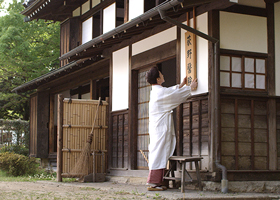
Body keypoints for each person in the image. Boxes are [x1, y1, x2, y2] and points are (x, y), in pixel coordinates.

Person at [145, 66, 198, 191]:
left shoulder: (157, 91)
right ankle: (153, 182)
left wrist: (181, 85)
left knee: (160, 152)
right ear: (158, 79)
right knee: (159, 153)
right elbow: (173, 95)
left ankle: (158, 182)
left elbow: (170, 92)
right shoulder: (160, 92)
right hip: (160, 128)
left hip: (158, 127)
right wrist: (190, 88)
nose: (163, 75)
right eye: (161, 74)